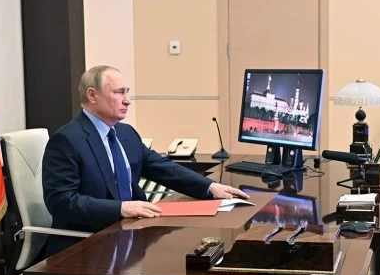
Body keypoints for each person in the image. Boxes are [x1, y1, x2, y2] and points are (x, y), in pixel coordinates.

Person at [42, 65, 249, 256]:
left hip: (130, 234)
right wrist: (122, 208)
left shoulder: (126, 133)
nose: (127, 100)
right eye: (119, 92)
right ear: (92, 95)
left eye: (127, 92)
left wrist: (210, 186)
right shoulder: (67, 140)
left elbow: (161, 167)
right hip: (86, 245)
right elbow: (61, 202)